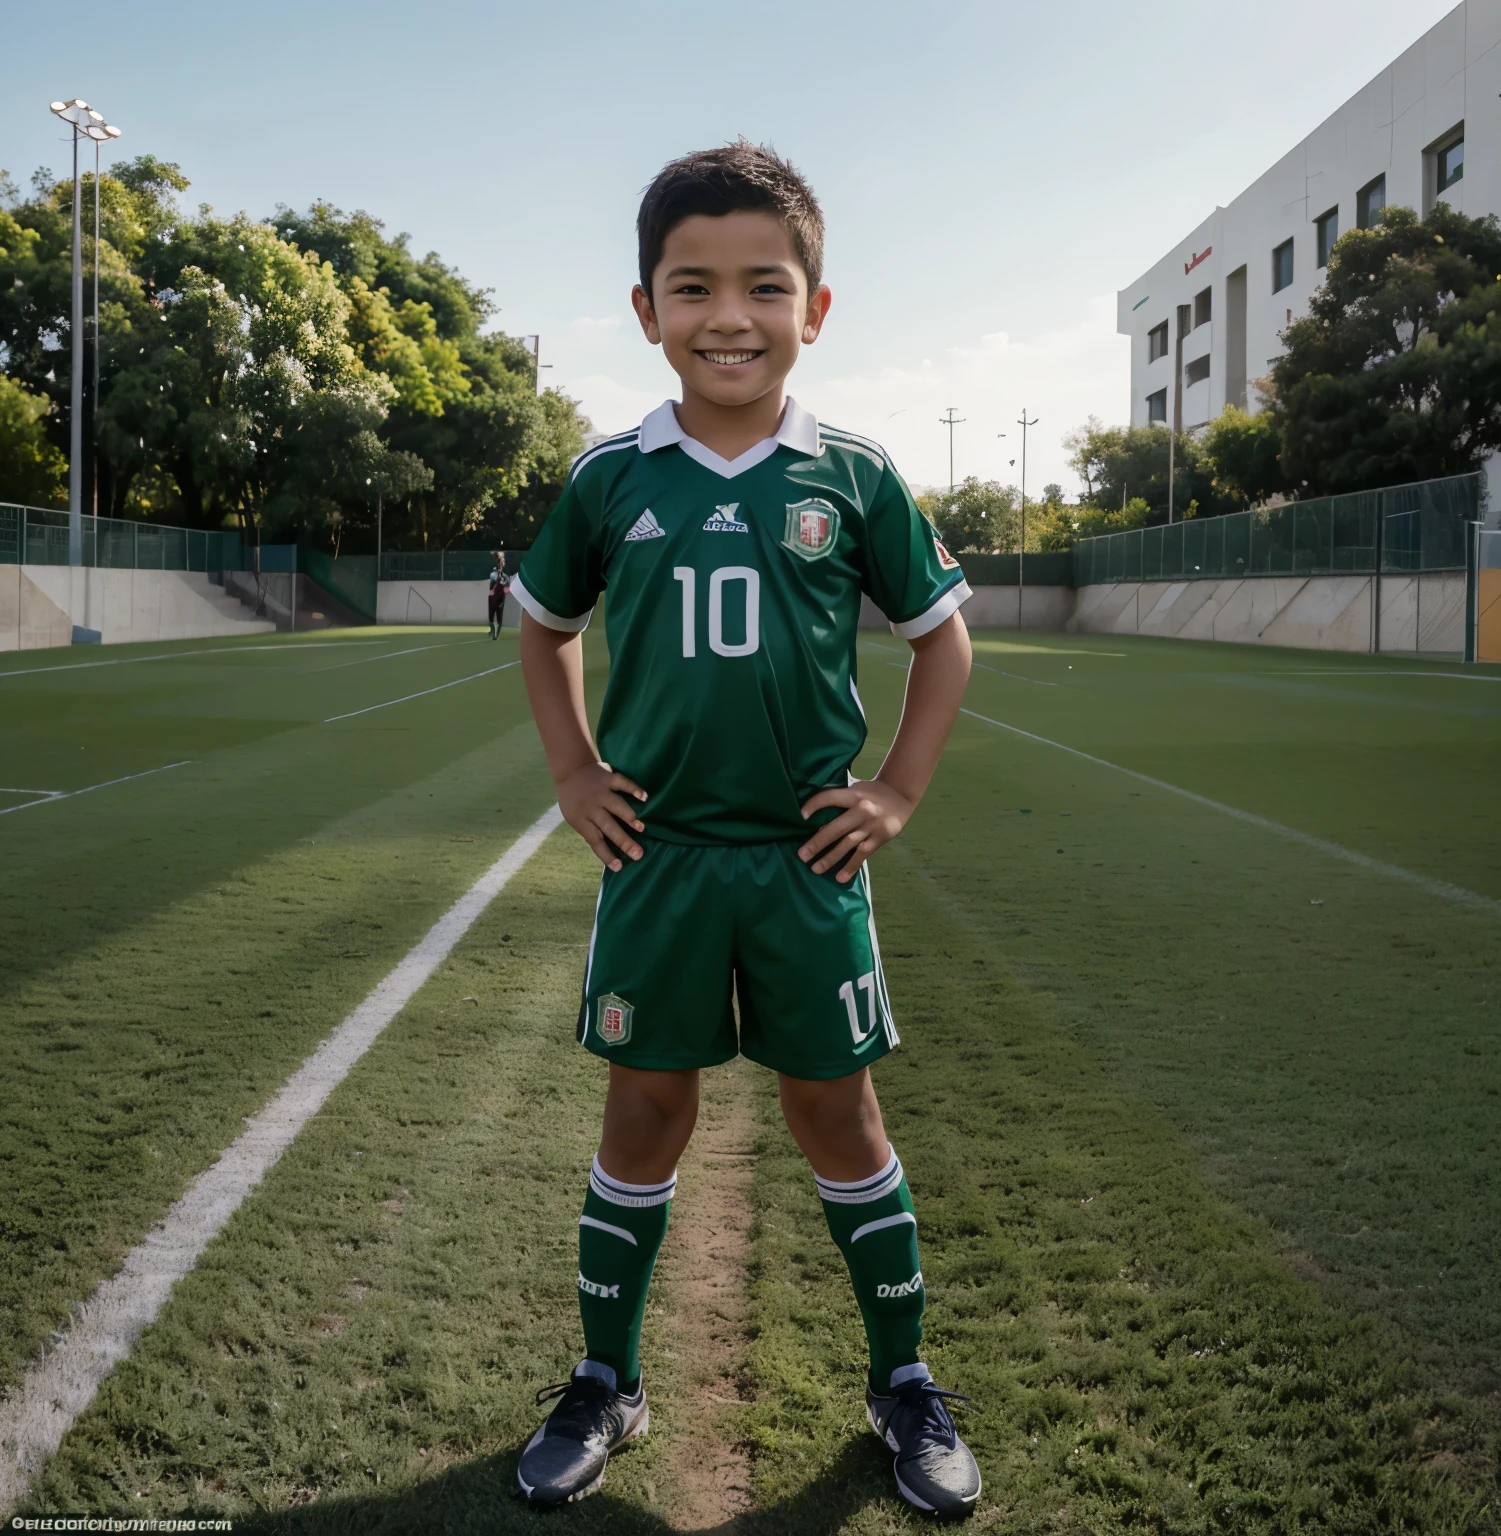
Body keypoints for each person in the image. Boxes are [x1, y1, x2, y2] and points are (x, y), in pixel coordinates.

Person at [510, 140, 978, 1516]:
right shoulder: (612, 477)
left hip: (803, 861)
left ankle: (903, 1385)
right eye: (693, 285)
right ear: (646, 307)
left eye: (764, 287)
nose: (730, 314)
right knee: (646, 1104)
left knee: (836, 1106)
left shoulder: (856, 475)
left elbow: (946, 644)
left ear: (814, 311)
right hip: (656, 859)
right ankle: (607, 1378)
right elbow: (542, 632)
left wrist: (892, 790)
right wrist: (575, 772)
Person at [488, 551, 512, 639]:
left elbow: (507, 587)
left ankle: (496, 635)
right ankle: (493, 632)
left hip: (500, 601)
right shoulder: (493, 575)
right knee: (490, 620)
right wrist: (496, 580)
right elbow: (491, 587)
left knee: (499, 620)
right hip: (492, 600)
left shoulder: (505, 577)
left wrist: (501, 581)